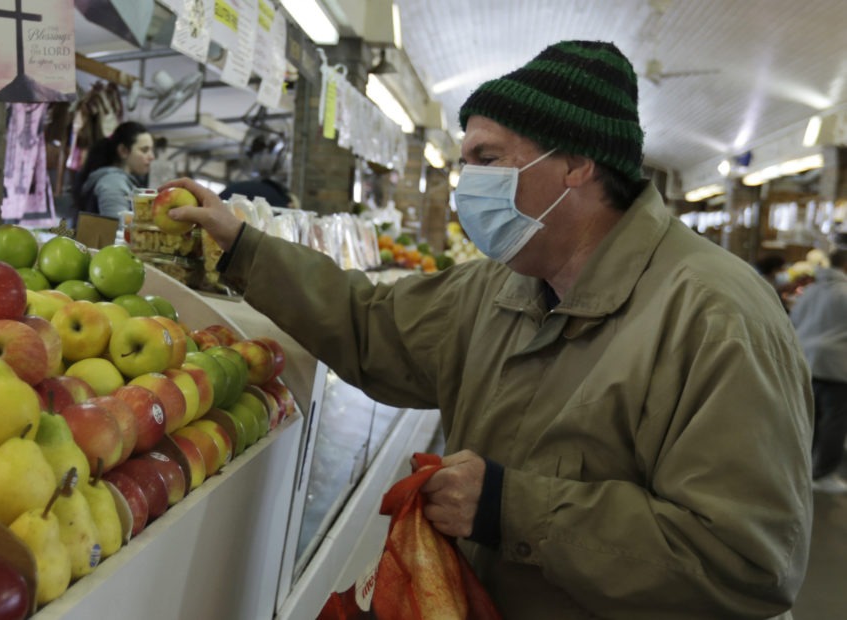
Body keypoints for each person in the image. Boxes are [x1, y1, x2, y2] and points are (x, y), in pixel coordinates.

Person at [163, 40, 814, 619]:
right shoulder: (501, 287)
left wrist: (511, 509)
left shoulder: (714, 318)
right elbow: (369, 325)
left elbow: (747, 562)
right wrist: (243, 247)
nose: (465, 184)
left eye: (488, 157)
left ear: (577, 164)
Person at [789, 251, 847, 493]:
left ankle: (803, 470)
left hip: (806, 360)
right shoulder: (844, 292)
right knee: (834, 421)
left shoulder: (810, 291)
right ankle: (823, 474)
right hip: (836, 365)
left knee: (809, 418)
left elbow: (793, 322)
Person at [74, 121, 155, 218]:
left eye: (151, 150)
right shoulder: (114, 183)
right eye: (144, 150)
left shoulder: (118, 182)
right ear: (123, 151)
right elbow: (119, 229)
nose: (152, 157)